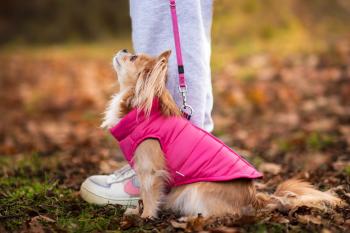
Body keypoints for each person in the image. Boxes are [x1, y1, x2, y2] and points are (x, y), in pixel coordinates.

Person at [80, 0, 214, 206]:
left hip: (180, 161)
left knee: (164, 15)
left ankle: (170, 167)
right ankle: (179, 162)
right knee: (174, 17)